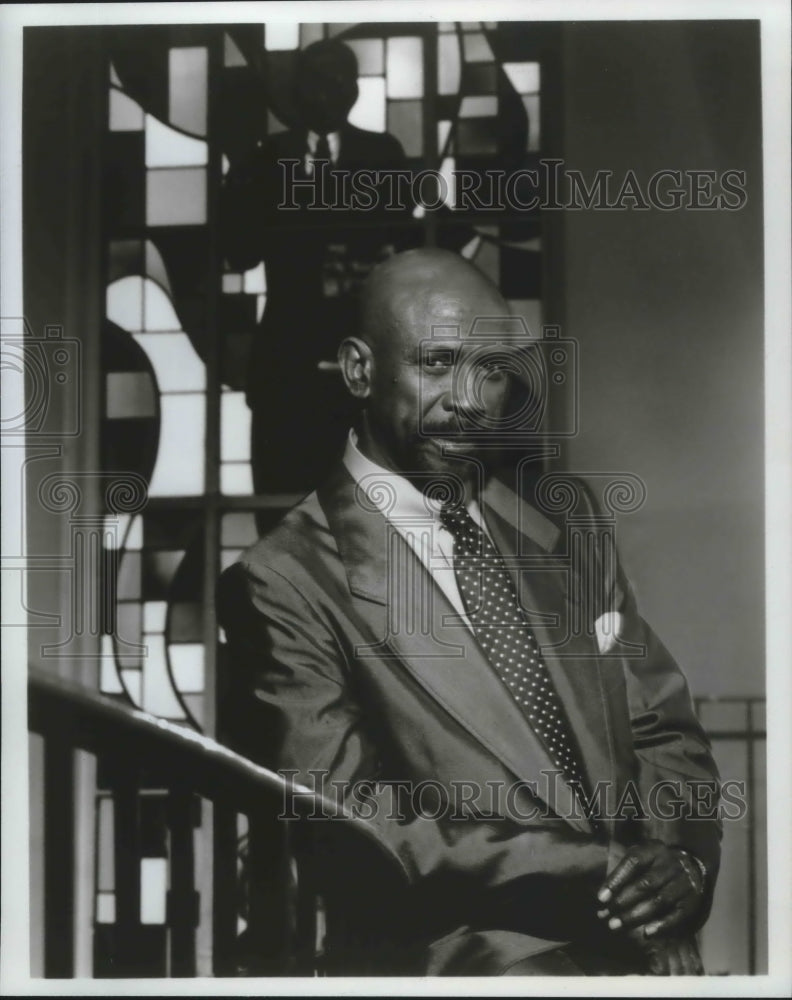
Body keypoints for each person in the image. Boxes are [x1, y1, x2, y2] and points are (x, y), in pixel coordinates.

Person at [219, 248, 722, 976]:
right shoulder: (283, 579)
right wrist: (606, 873)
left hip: (644, 959)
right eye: (438, 362)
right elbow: (351, 824)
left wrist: (680, 868)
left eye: (491, 370)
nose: (470, 399)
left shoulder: (565, 523)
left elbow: (661, 730)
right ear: (359, 370)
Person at [221, 37, 418, 497]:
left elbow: (400, 245)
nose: (327, 92)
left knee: (363, 502)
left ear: (354, 91)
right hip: (286, 361)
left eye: (338, 81)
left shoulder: (382, 155)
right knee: (284, 502)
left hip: (361, 359)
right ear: (298, 91)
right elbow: (240, 251)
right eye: (316, 81)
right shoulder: (266, 159)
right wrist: (239, 181)